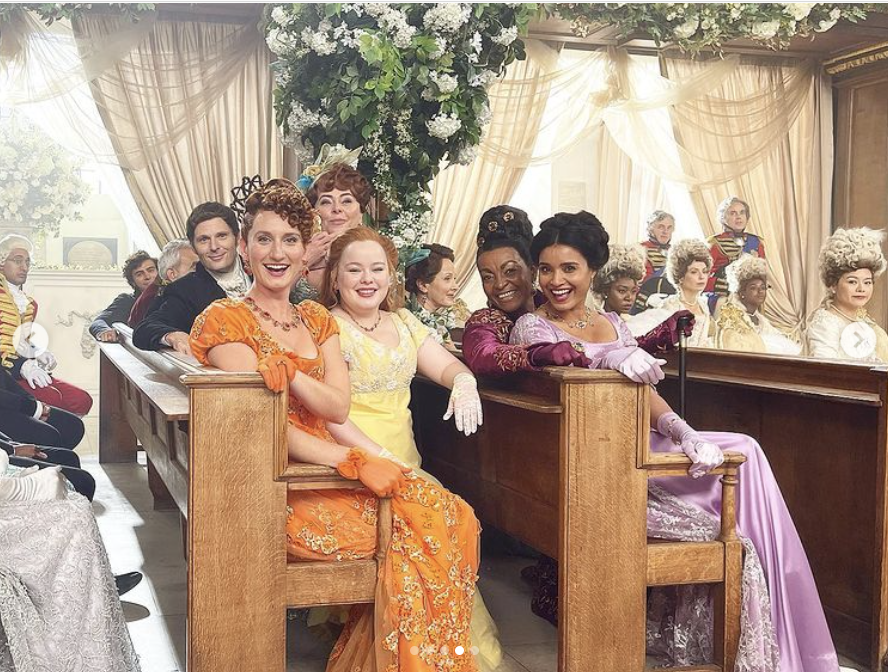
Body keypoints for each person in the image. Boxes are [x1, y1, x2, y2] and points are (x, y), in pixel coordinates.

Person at [510, 211, 837, 671]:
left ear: (592, 270)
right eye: (546, 269)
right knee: (742, 469)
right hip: (598, 459)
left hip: (645, 442)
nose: (555, 280)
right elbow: (564, 375)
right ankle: (777, 638)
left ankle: (789, 636)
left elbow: (646, 395)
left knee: (745, 449)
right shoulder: (533, 326)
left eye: (569, 268)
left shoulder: (611, 322)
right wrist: (608, 361)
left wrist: (682, 432)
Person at [189, 180, 482, 672]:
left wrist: (295, 382)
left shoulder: (314, 319)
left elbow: (337, 408)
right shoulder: (227, 319)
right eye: (264, 239)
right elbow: (257, 427)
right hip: (275, 483)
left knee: (456, 515)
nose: (277, 253)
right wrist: (349, 460)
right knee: (423, 533)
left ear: (306, 252)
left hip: (331, 464)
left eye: (289, 241)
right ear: (244, 248)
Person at [133, 202, 250, 355]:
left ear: (237, 238)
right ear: (194, 247)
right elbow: (145, 328)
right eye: (204, 240)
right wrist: (173, 336)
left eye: (221, 236)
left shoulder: (264, 270)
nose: (214, 246)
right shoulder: (184, 290)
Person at [0, 234, 93, 415]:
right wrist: (23, 367)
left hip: (22, 369)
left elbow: (19, 340)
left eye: (27, 262)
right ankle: (40, 440)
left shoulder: (29, 304)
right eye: (17, 261)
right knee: (52, 398)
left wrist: (37, 351)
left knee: (81, 400)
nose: (24, 267)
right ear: (1, 262)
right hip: (4, 378)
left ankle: (57, 437)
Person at [292, 154, 371, 304]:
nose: (337, 209)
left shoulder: (376, 251)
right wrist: (306, 259)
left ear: (361, 212)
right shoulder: (296, 250)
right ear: (314, 211)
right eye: (326, 202)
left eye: (346, 201)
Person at [805, 227, 888, 362]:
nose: (861, 289)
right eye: (852, 282)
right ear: (833, 285)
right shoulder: (825, 323)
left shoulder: (862, 321)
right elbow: (824, 372)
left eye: (867, 282)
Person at [715, 255, 801, 355]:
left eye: (763, 287)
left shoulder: (760, 319)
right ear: (741, 292)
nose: (760, 291)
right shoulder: (732, 319)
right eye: (753, 288)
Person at [405, 243, 470, 346]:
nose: (456, 287)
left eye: (454, 279)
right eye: (447, 279)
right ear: (422, 285)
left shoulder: (440, 327)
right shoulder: (407, 324)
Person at [90, 250, 158, 342]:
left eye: (151, 270)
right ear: (133, 282)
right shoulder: (126, 300)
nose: (147, 276)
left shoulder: (172, 297)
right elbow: (98, 322)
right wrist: (105, 331)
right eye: (139, 274)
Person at [128, 239, 198, 327]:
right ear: (172, 274)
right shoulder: (158, 303)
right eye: (195, 267)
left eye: (151, 270)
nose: (147, 277)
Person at [659, 238, 715, 348]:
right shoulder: (670, 307)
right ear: (680, 276)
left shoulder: (703, 305)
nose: (701, 277)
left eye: (704, 271)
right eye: (694, 272)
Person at [706, 196, 765, 298]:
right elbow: (700, 278)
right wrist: (723, 285)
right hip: (724, 298)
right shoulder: (715, 244)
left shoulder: (756, 242)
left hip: (751, 298)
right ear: (723, 218)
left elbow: (762, 273)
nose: (738, 217)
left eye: (742, 212)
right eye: (733, 213)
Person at [633, 210, 676, 313]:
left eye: (669, 227)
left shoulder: (676, 251)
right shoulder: (638, 250)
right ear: (650, 228)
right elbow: (630, 284)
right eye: (661, 227)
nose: (665, 231)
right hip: (643, 307)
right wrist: (646, 299)